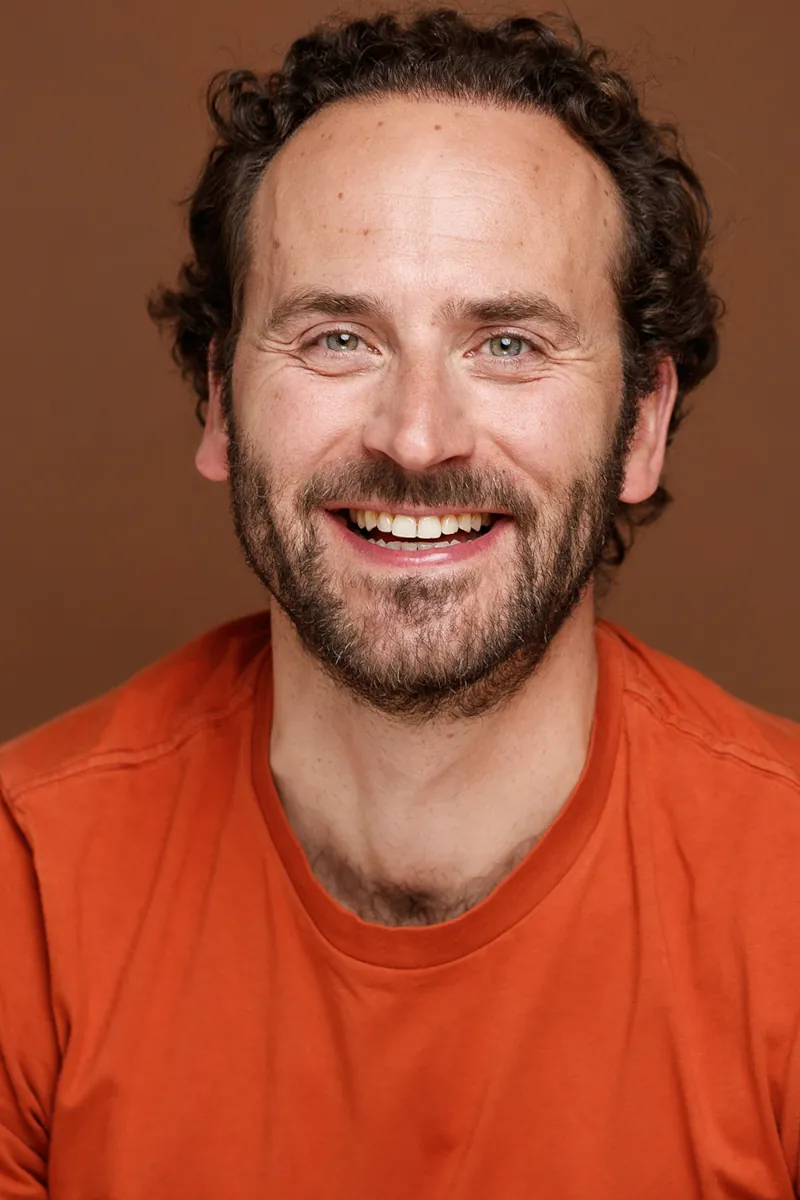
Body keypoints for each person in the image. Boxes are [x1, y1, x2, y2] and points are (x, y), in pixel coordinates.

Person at [1, 8, 798, 1197]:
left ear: (639, 424)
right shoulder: (26, 883)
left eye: (508, 345)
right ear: (219, 401)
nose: (417, 438)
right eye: (337, 338)